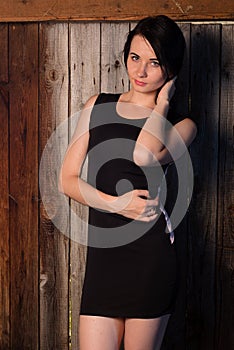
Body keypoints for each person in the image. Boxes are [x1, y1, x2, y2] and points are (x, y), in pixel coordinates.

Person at [59, 15, 197, 350]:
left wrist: (161, 104)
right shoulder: (98, 105)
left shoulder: (183, 125)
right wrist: (115, 203)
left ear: (171, 69)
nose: (141, 72)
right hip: (104, 260)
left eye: (154, 63)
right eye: (135, 58)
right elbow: (67, 180)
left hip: (149, 261)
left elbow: (144, 156)